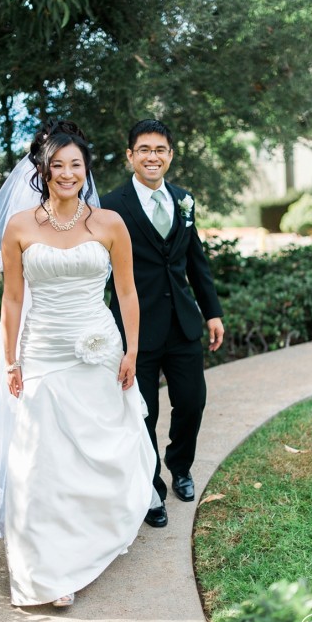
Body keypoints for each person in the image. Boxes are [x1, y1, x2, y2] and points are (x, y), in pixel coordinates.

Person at [0, 119, 156, 608]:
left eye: (76, 164)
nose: (67, 173)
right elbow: (12, 300)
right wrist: (10, 360)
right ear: (43, 170)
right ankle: (46, 574)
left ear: (86, 169)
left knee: (96, 455)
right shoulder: (21, 227)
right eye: (57, 165)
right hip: (42, 352)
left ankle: (86, 548)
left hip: (99, 351)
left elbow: (128, 292)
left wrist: (132, 350)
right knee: (38, 465)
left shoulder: (110, 223)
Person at [101, 119, 224, 528]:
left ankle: (181, 466)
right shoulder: (111, 204)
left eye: (160, 150)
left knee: (192, 402)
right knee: (144, 413)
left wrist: (212, 311)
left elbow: (195, 261)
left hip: (184, 323)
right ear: (130, 156)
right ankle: (151, 488)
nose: (152, 157)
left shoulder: (184, 200)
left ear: (170, 155)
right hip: (136, 329)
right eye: (144, 149)